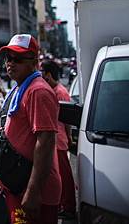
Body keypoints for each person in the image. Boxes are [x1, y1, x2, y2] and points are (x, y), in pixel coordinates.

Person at [0, 34, 61, 224]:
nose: (11, 63)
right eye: (8, 58)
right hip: (17, 185)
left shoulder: (38, 91)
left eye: (18, 59)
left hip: (32, 192)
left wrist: (33, 191)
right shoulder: (21, 87)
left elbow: (46, 142)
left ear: (34, 61)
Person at [41, 60, 76, 219]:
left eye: (42, 73)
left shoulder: (59, 92)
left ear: (48, 74)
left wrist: (68, 137)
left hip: (58, 141)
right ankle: (64, 205)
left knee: (64, 176)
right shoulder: (55, 89)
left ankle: (68, 207)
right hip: (57, 140)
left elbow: (66, 120)